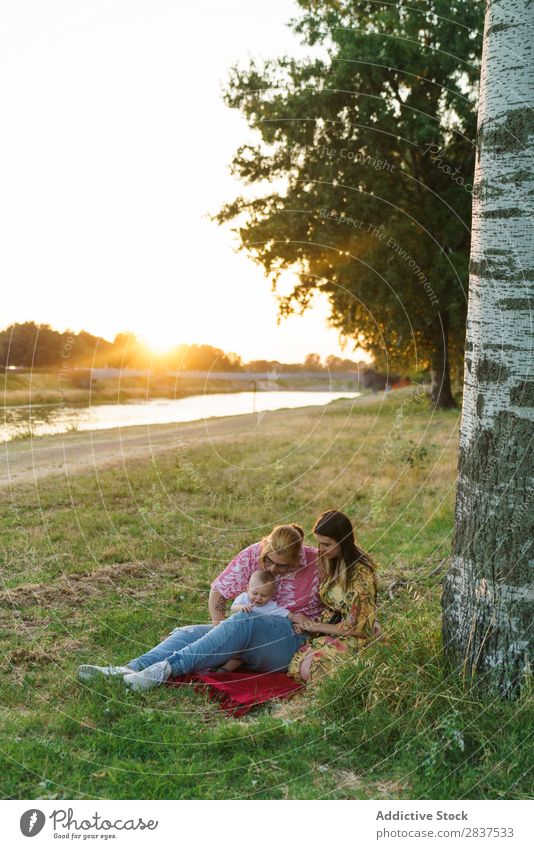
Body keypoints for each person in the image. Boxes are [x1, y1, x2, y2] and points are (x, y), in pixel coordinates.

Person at [77, 523, 319, 689]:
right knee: (190, 632)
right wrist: (221, 631)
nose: (272, 569)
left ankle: (165, 670)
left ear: (298, 557)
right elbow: (219, 593)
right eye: (269, 561)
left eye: (282, 566)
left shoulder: (317, 560)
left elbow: (353, 559)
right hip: (247, 632)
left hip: (291, 642)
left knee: (243, 621)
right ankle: (128, 670)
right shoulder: (253, 553)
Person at [288, 510, 378, 684]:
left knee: (310, 669)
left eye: (326, 544)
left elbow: (359, 628)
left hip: (354, 637)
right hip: (329, 630)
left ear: (343, 541)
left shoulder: (360, 575)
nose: (320, 549)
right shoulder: (330, 560)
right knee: (299, 665)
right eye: (318, 543)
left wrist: (316, 626)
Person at [215, 569, 292, 673]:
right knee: (226, 648)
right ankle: (216, 662)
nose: (258, 598)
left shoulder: (271, 607)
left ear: (271, 594)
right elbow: (232, 608)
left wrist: (297, 621)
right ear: (248, 589)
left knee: (240, 655)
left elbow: (287, 614)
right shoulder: (243, 598)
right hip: (235, 632)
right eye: (255, 593)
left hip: (254, 639)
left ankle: (225, 669)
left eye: (264, 595)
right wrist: (241, 608)